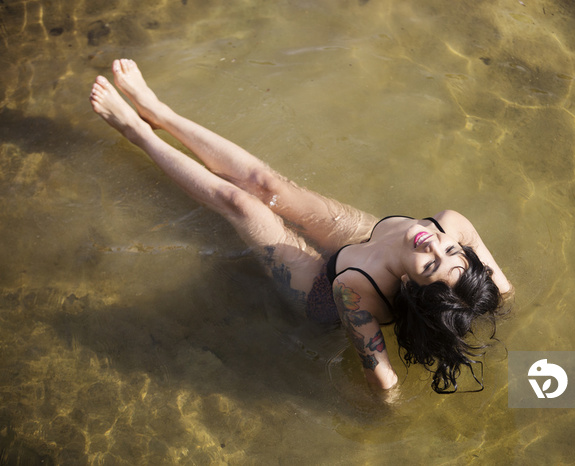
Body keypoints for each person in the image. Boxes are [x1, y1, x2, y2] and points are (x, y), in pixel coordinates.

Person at [90, 59, 512, 394]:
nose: (433, 245)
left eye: (428, 265)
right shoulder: (452, 226)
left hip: (322, 292)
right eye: (450, 251)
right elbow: (502, 292)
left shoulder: (353, 293)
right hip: (364, 239)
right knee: (267, 185)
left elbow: (383, 379)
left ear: (410, 285)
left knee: (242, 204)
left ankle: (138, 132)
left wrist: (389, 418)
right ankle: (158, 110)